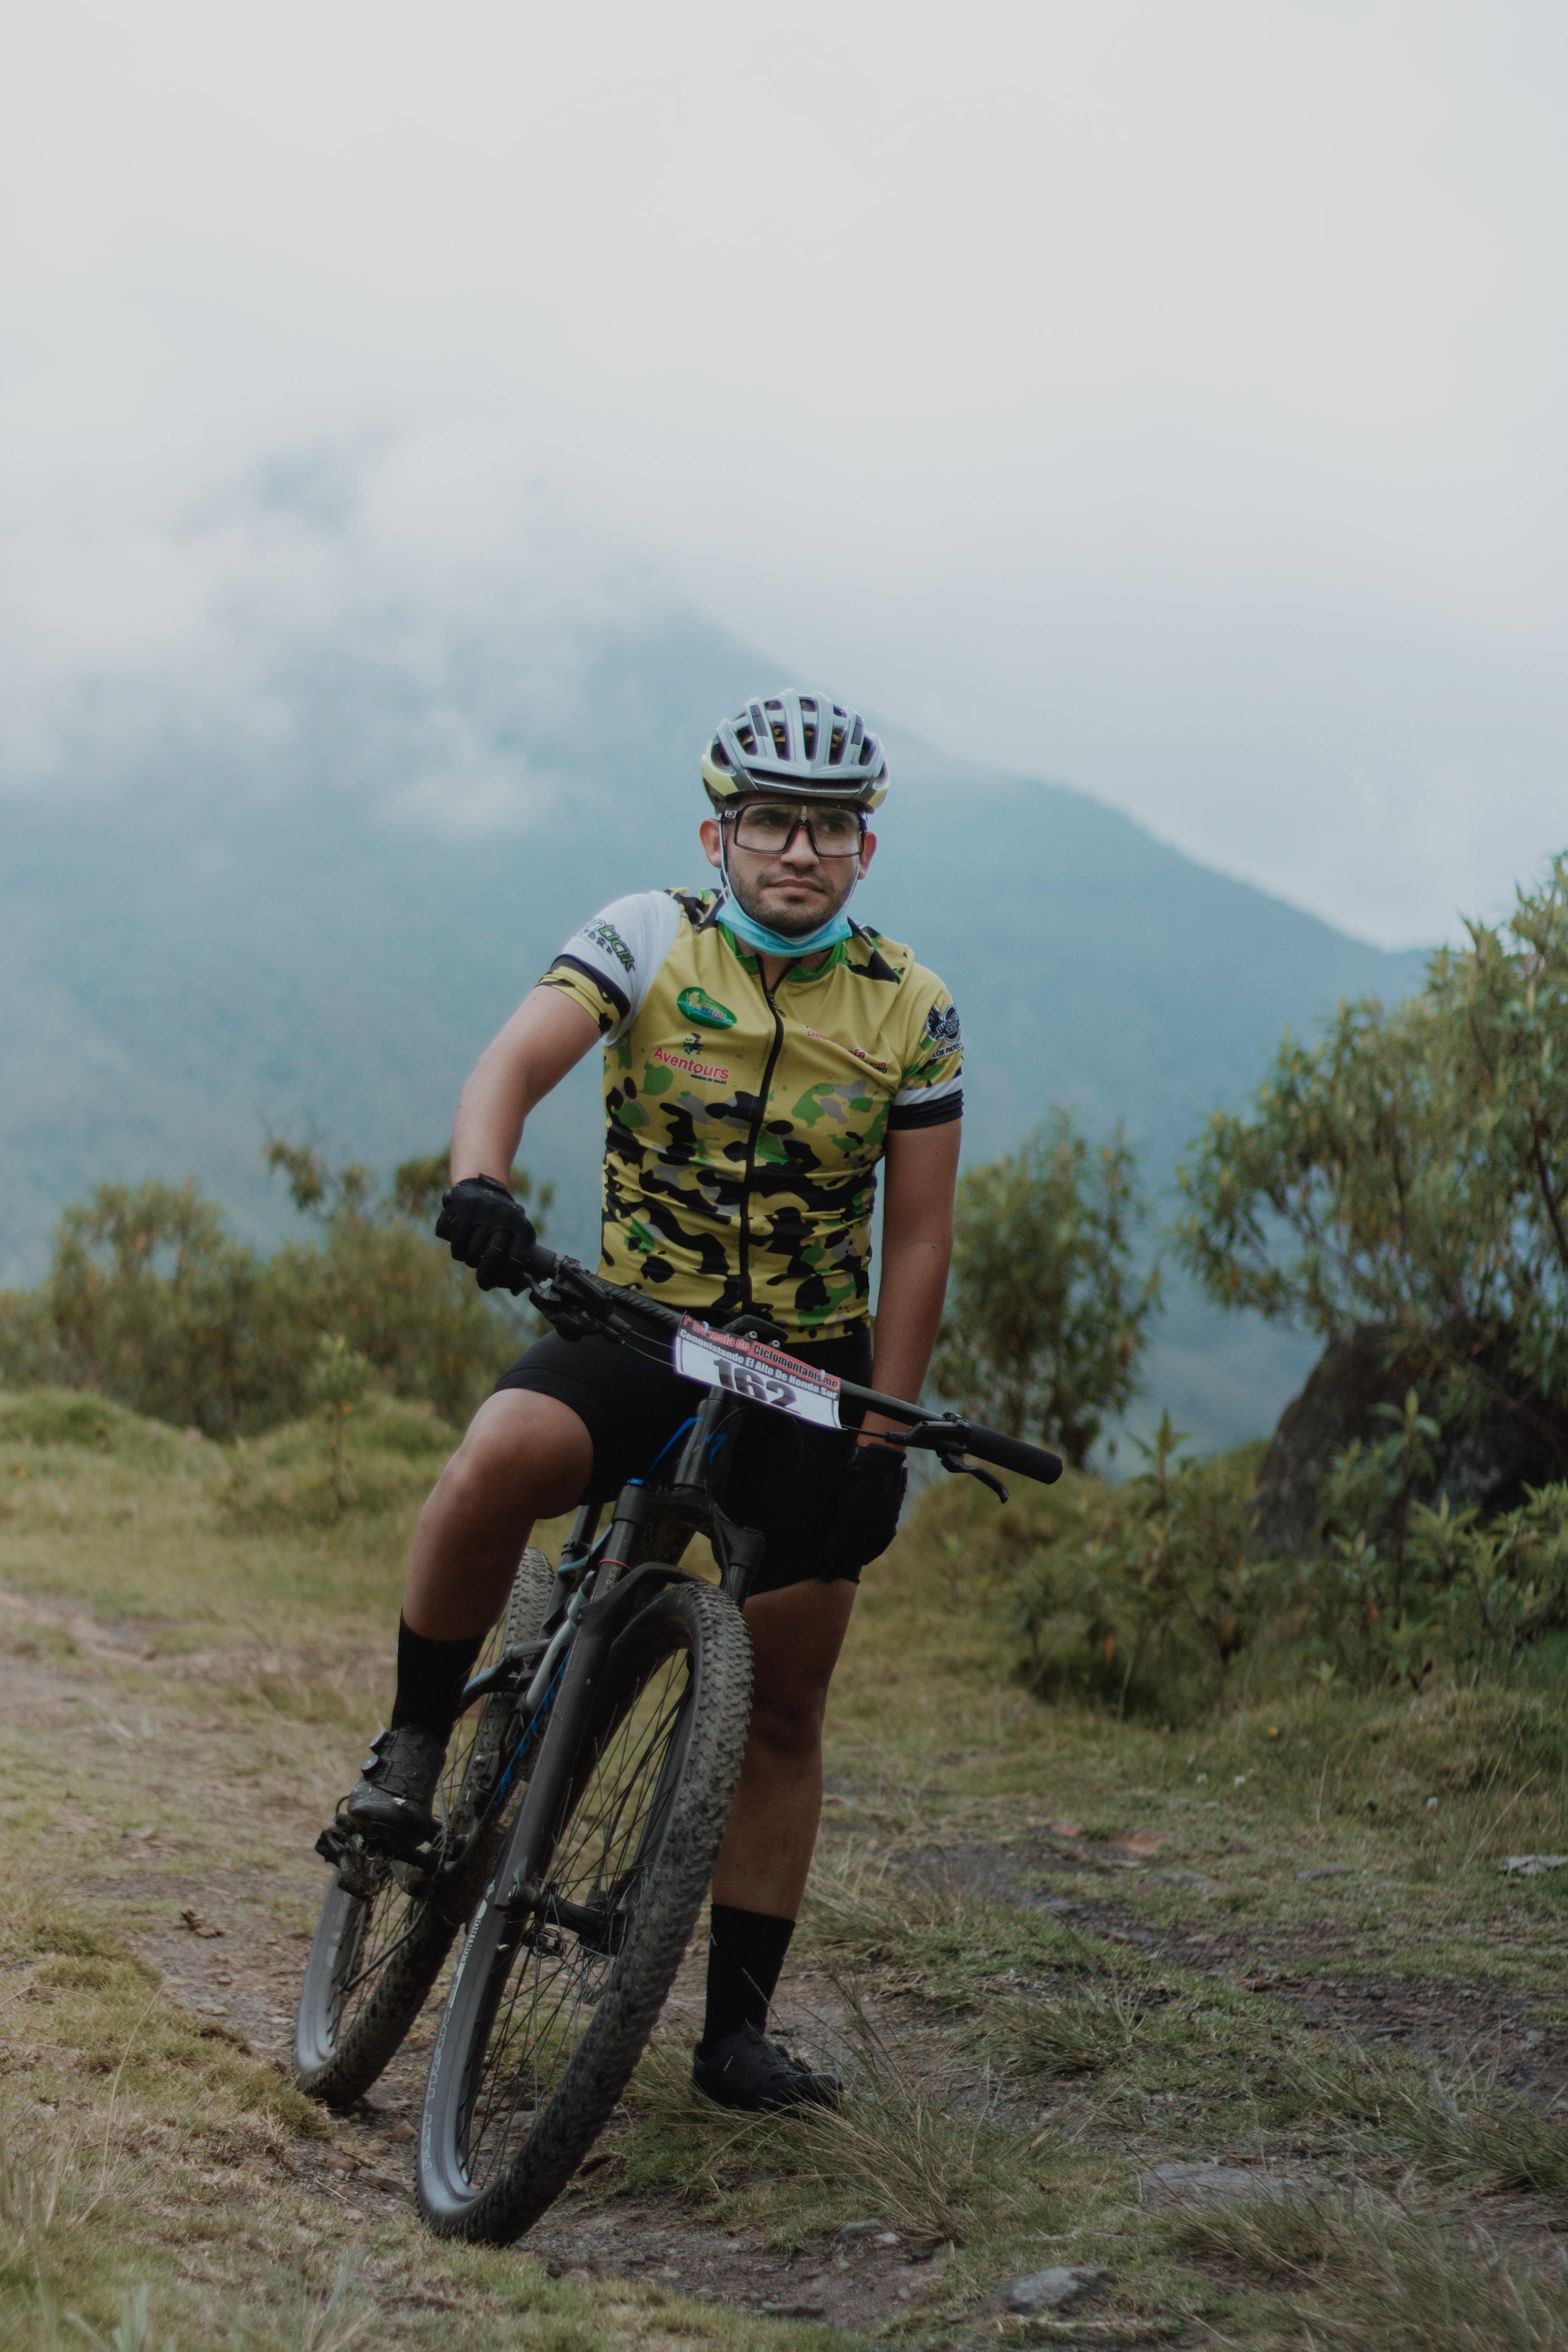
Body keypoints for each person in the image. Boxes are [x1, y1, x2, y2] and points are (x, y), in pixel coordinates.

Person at [343, 688, 963, 2110]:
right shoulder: (647, 935)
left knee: (788, 1700)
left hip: (811, 1366)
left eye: (828, 829)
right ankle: (416, 1742)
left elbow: (919, 1238)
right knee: (498, 1457)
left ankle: (736, 2031)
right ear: (718, 831)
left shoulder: (914, 1011)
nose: (797, 852)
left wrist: (882, 1431)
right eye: (769, 824)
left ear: (865, 849)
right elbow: (515, 1059)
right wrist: (481, 1184)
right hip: (640, 1323)